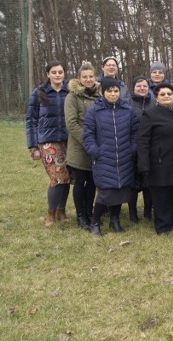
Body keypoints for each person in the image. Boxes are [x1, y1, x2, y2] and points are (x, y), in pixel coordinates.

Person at [84, 77, 139, 236]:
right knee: (106, 192)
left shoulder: (127, 110)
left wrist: (132, 149)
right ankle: (95, 222)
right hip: (104, 158)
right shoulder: (95, 111)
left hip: (124, 156)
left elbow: (135, 132)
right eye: (109, 91)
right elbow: (88, 134)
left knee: (121, 189)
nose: (113, 94)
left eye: (116, 91)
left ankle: (115, 220)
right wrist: (95, 151)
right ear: (103, 92)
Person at [137, 84, 173, 235]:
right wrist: (144, 164)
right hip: (159, 163)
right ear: (157, 98)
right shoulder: (150, 114)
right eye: (163, 94)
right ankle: (163, 225)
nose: (166, 96)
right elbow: (142, 141)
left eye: (169, 94)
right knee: (161, 197)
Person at [26, 61, 71, 227]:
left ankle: (62, 210)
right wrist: (33, 146)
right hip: (48, 141)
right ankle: (51, 213)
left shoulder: (70, 91)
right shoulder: (39, 93)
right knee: (56, 177)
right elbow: (31, 120)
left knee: (66, 178)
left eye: (60, 72)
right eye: (54, 72)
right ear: (48, 74)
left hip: (68, 141)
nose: (58, 75)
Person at [64, 61, 101, 229]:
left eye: (91, 76)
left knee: (93, 181)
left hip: (97, 146)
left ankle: (89, 211)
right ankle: (80, 215)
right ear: (79, 78)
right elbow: (71, 123)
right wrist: (88, 141)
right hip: (80, 146)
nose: (88, 79)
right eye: (84, 77)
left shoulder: (99, 96)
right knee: (81, 181)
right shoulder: (72, 97)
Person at [128, 76, 154, 222]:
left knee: (148, 182)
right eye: (139, 86)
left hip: (150, 148)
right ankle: (132, 213)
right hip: (133, 148)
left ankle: (148, 212)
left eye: (144, 86)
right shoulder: (128, 104)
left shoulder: (154, 104)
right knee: (133, 182)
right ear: (134, 88)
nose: (142, 88)